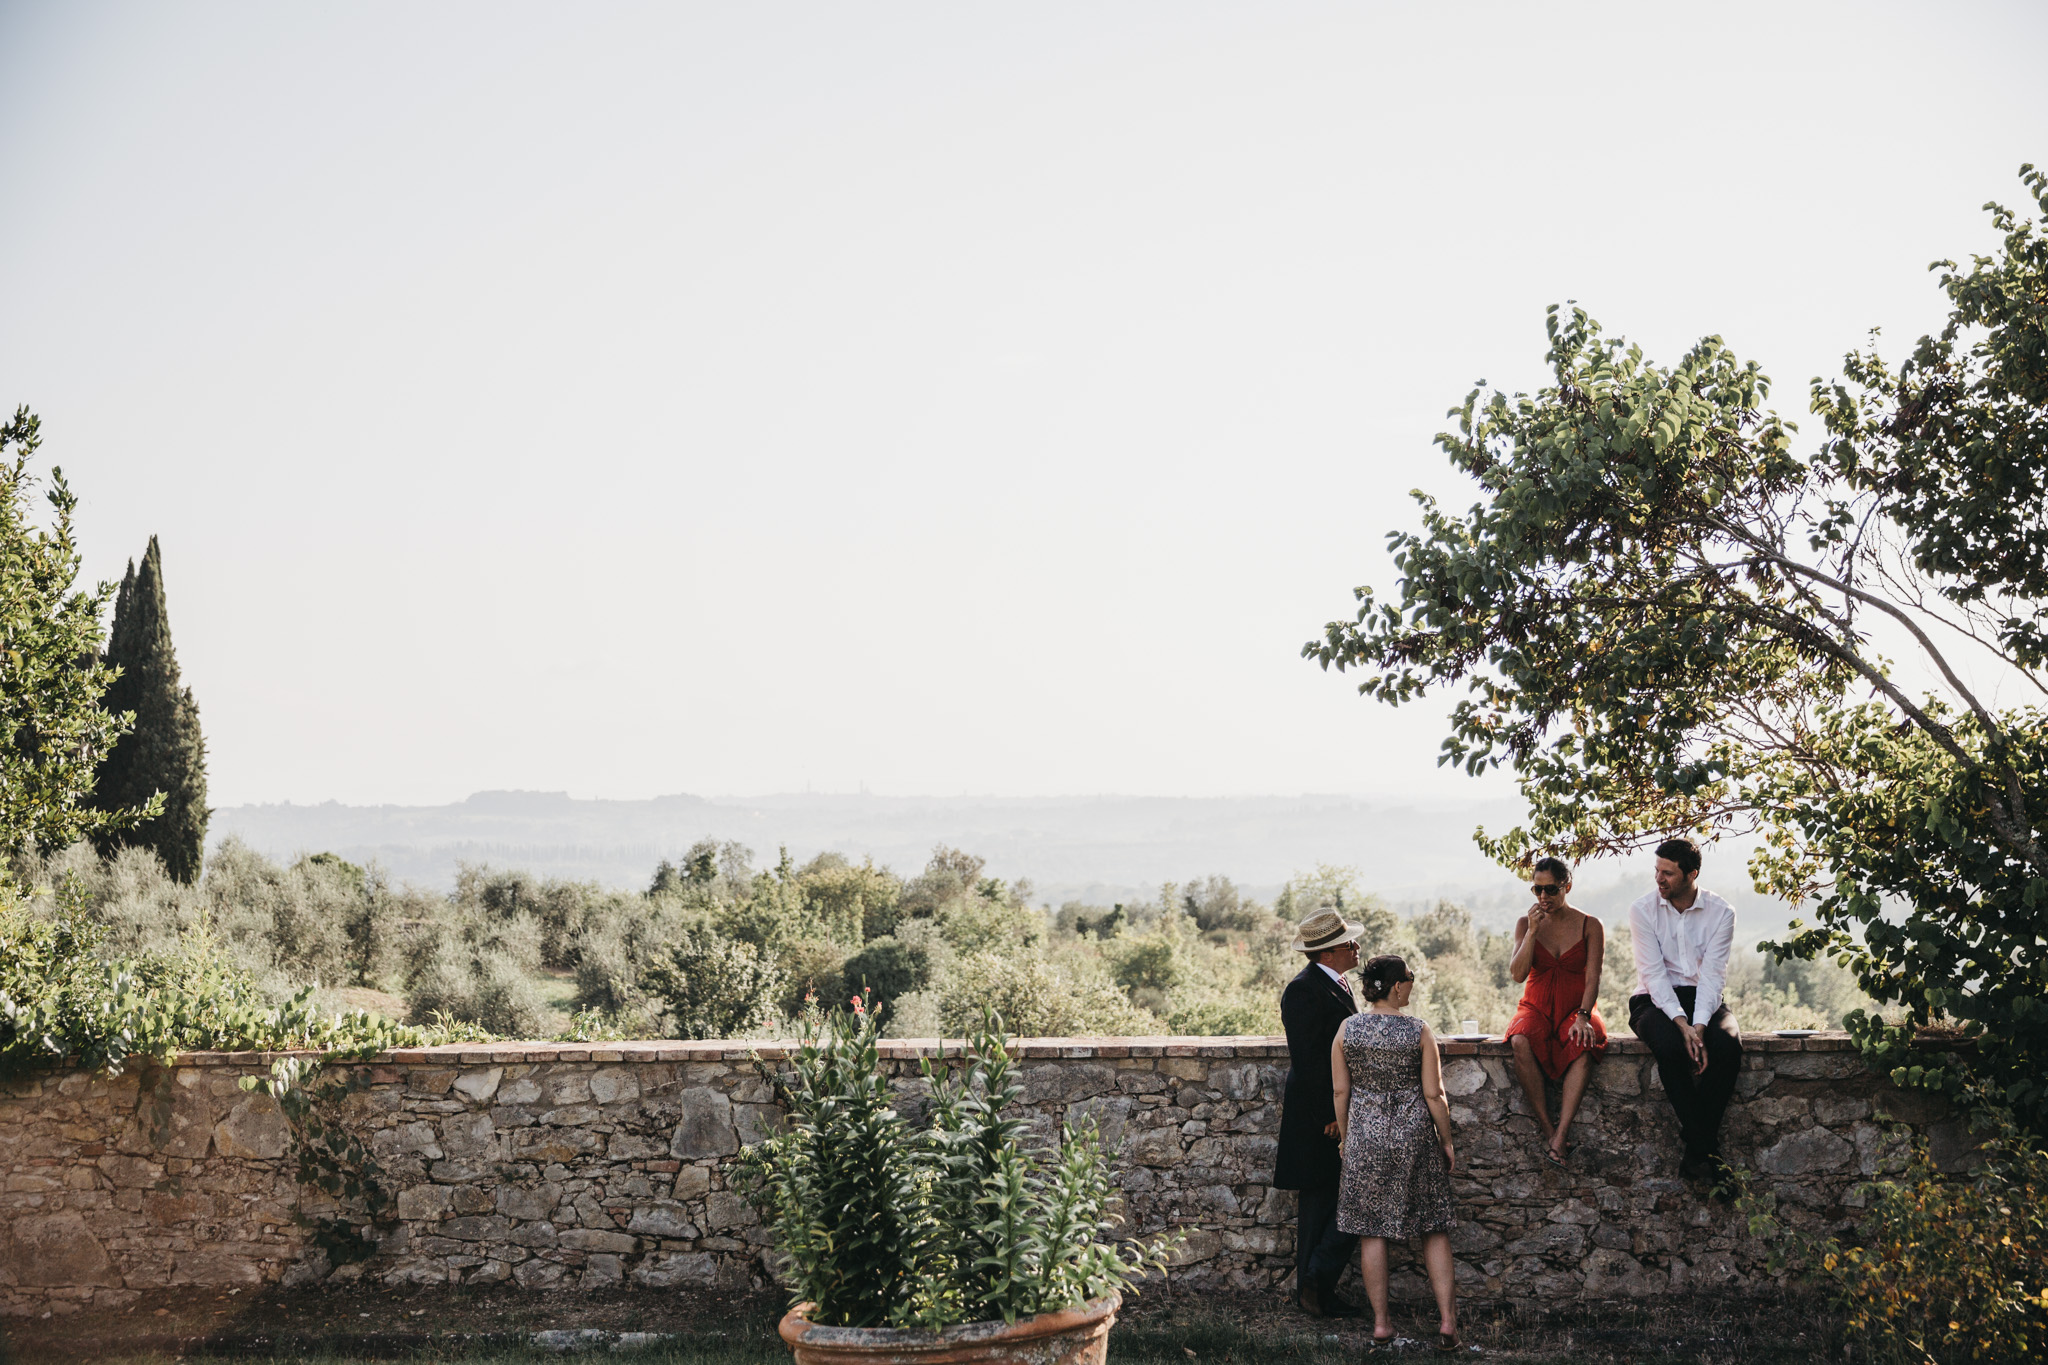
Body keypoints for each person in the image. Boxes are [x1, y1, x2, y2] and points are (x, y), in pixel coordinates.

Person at [1332, 955, 1460, 1352]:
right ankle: (1447, 1322)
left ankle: (1383, 1326)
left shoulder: (1347, 1030)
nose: (1411, 985)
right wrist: (1447, 1140)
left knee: (1372, 1231)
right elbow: (1434, 1094)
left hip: (1365, 1139)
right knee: (1433, 1226)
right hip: (1414, 1136)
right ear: (1395, 986)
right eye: (1409, 978)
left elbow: (1340, 1092)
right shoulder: (1419, 1031)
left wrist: (1347, 1137)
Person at [1628, 836, 1742, 1193]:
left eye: (1668, 874)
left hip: (1703, 999)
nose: (1659, 880)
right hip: (1653, 1000)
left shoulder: (1721, 912)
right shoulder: (1642, 910)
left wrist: (1701, 1026)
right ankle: (1711, 1154)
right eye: (1657, 871)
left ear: (1692, 874)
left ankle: (1697, 1150)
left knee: (1729, 1047)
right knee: (1671, 1048)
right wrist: (1682, 1026)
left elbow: (1712, 975)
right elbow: (1654, 975)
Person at [1272, 907, 1364, 1318]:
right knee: (1321, 1201)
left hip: (1334, 1111)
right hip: (1319, 1117)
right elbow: (1308, 1059)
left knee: (1332, 1199)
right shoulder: (1303, 990)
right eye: (1349, 943)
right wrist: (1330, 1115)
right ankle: (1312, 1290)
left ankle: (1315, 1289)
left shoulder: (1337, 983)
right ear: (1328, 952)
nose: (1357, 947)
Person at [1502, 856, 1607, 1167]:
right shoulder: (1526, 923)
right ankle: (1549, 1130)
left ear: (1567, 887)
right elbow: (1517, 974)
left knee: (1586, 1040)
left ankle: (1561, 1134)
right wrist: (1533, 931)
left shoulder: (1590, 925)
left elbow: (1593, 976)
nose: (1544, 898)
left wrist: (1584, 1016)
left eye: (1551, 890)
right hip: (1536, 1005)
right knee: (1520, 1039)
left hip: (1576, 1008)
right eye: (1537, 890)